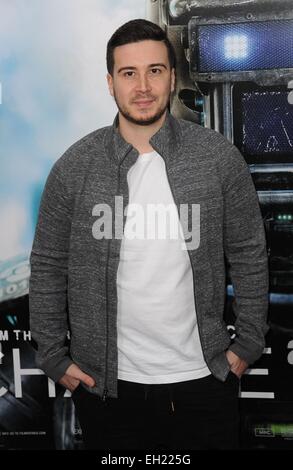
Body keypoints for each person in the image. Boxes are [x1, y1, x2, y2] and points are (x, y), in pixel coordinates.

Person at [29, 18, 269, 450]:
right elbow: (48, 263)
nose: (143, 86)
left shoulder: (217, 158)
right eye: (128, 73)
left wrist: (247, 342)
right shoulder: (76, 166)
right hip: (106, 386)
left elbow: (249, 253)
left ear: (172, 77)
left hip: (204, 379)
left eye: (155, 70)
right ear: (110, 82)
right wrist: (52, 355)